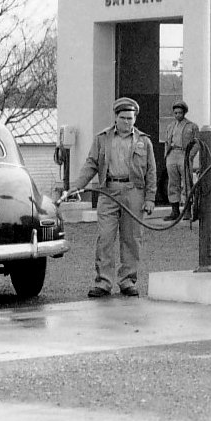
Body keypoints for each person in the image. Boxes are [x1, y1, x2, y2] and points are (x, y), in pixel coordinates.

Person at [76, 96, 156, 298]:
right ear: (116, 118)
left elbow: (151, 172)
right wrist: (76, 186)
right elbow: (91, 164)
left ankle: (128, 281)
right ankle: (103, 282)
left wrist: (150, 198)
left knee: (131, 239)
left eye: (131, 118)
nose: (128, 122)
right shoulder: (102, 139)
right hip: (108, 191)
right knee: (105, 238)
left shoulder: (144, 141)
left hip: (134, 192)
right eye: (124, 118)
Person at [169, 100, 211, 268]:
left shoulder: (192, 126)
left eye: (180, 112)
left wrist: (190, 156)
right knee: (172, 183)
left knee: (187, 184)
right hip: (173, 154)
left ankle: (187, 210)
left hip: (184, 154)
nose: (177, 115)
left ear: (184, 113)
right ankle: (174, 210)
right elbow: (168, 141)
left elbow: (196, 143)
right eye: (175, 112)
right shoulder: (170, 126)